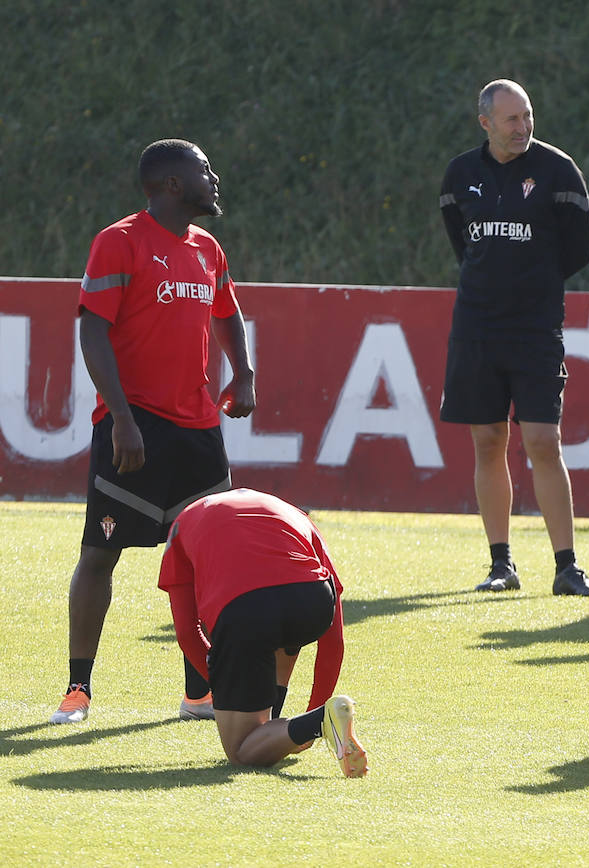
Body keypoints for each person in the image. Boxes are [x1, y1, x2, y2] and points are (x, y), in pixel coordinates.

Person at [51, 139, 257, 726]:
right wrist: (121, 417)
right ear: (170, 183)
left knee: (206, 562)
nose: (213, 178)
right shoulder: (119, 241)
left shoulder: (206, 248)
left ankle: (200, 692)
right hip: (133, 428)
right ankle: (78, 688)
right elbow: (93, 331)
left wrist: (241, 372)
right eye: (203, 171)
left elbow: (226, 310)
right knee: (100, 553)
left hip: (197, 431)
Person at [439, 79, 589, 597]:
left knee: (542, 442)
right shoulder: (460, 174)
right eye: (511, 119)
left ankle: (567, 568)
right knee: (488, 442)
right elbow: (460, 242)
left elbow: (578, 250)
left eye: (527, 116)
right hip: (476, 326)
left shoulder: (558, 171)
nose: (522, 127)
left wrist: (531, 283)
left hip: (535, 328)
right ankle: (500, 564)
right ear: (485, 122)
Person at [158, 488, 367, 777]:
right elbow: (334, 640)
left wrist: (228, 682)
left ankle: (314, 722)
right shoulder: (295, 514)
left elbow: (187, 633)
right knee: (281, 629)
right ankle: (278, 723)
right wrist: (318, 701)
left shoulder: (181, 525)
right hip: (313, 603)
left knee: (242, 752)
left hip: (248, 611)